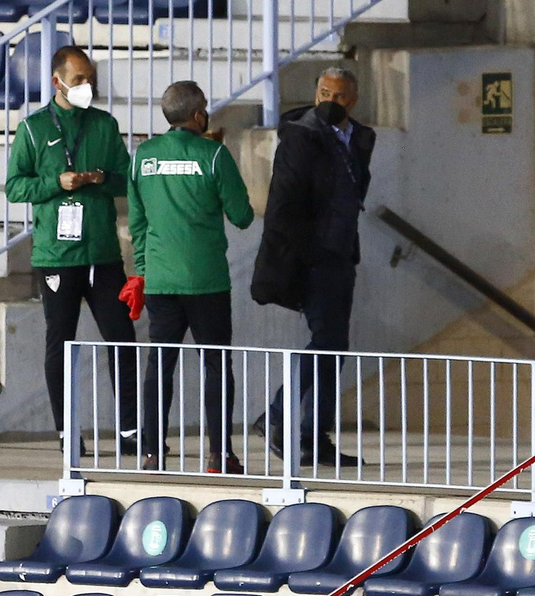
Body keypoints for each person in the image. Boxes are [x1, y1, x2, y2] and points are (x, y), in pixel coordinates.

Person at [4, 44, 139, 454]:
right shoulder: (32, 129)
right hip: (56, 258)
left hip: (102, 253)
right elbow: (15, 187)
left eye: (90, 79)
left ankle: (131, 432)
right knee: (60, 342)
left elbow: (125, 179)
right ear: (57, 81)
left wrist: (101, 179)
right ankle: (67, 434)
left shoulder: (104, 124)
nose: (86, 86)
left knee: (121, 338)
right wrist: (55, 184)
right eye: (79, 79)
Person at [124, 80, 255, 473]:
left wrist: (144, 270)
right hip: (206, 281)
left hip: (161, 280)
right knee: (216, 365)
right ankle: (219, 455)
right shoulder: (213, 155)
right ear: (199, 116)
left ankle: (152, 453)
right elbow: (243, 216)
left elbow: (137, 221)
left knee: (159, 366)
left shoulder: (142, 156)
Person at [251, 66, 376, 469]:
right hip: (314, 257)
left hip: (342, 254)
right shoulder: (301, 136)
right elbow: (283, 205)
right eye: (324, 93)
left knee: (334, 346)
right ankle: (277, 415)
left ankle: (311, 435)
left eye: (338, 96)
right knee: (326, 340)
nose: (330, 102)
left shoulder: (359, 138)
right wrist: (310, 253)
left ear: (352, 100)